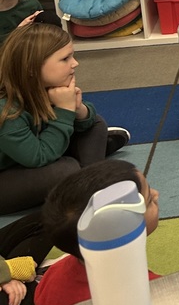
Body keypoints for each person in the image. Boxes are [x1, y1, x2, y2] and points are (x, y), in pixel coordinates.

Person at [0, 24, 130, 215]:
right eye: (65, 59)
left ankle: (88, 181)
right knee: (65, 170)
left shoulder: (44, 86)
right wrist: (64, 110)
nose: (75, 63)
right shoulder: (6, 111)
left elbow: (89, 120)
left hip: (30, 155)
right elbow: (38, 157)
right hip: (9, 174)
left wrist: (77, 110)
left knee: (95, 123)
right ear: (32, 68)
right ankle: (87, 179)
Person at [34, 159, 161, 305]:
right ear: (123, 228)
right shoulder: (155, 289)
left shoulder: (51, 276)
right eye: (149, 199)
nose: (156, 193)